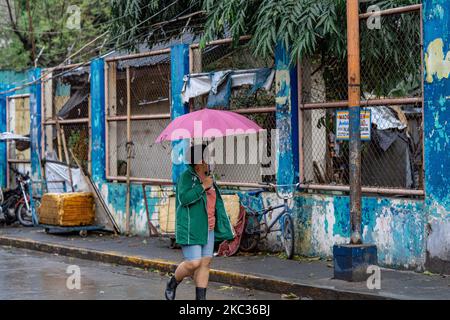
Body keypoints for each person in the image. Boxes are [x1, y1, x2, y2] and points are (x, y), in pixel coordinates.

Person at [165, 144, 235, 300]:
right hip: (191, 228)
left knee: (205, 263)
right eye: (207, 157)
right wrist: (203, 186)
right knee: (194, 263)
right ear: (199, 160)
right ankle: (173, 282)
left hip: (208, 227)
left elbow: (215, 203)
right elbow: (183, 198)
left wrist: (222, 224)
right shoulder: (186, 177)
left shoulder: (208, 177)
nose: (210, 161)